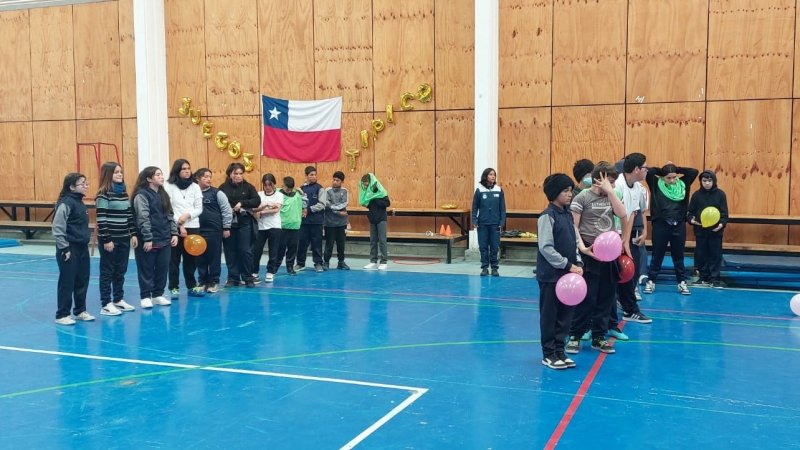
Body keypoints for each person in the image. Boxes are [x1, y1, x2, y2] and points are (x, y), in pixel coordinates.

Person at [566, 162, 627, 355]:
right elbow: (573, 226)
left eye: (613, 183)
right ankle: (575, 335)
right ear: (596, 180)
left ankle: (598, 337)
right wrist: (582, 248)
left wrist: (610, 192)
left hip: (609, 254)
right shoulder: (582, 197)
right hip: (590, 252)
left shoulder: (612, 196)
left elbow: (623, 214)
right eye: (609, 182)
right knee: (587, 297)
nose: (613, 186)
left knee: (606, 297)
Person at [537, 173, 582, 370]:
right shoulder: (547, 216)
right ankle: (548, 354)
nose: (569, 194)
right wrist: (566, 264)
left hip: (568, 277)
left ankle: (559, 351)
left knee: (566, 316)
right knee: (550, 315)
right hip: (551, 276)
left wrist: (578, 262)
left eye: (570, 190)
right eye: (565, 191)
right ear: (555, 193)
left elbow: (574, 241)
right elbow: (546, 247)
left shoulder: (568, 214)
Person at [643, 162, 699, 295]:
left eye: (674, 177)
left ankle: (681, 282)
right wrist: (662, 170)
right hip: (661, 225)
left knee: (678, 256)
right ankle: (651, 281)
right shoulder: (656, 184)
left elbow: (693, 171)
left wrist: (676, 168)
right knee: (657, 254)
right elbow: (649, 172)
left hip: (678, 225)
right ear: (662, 177)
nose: (672, 180)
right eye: (668, 178)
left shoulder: (683, 183)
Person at [613, 154, 653, 325]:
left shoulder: (637, 187)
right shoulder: (617, 186)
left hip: (625, 234)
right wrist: (620, 241)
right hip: (612, 235)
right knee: (615, 275)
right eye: (645, 167)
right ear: (637, 169)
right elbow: (615, 217)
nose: (647, 170)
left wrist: (626, 241)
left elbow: (631, 214)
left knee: (632, 271)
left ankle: (630, 309)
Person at [95, 162, 138, 316]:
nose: (120, 174)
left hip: (124, 238)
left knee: (121, 270)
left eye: (121, 172)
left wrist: (133, 234)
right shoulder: (103, 194)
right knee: (107, 271)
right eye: (116, 172)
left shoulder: (124, 194)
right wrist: (106, 239)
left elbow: (128, 216)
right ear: (108, 175)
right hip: (110, 239)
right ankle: (105, 303)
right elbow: (101, 218)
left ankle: (118, 299)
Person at [132, 166, 178, 308]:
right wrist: (147, 238)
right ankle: (145, 296)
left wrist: (174, 233)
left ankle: (158, 294)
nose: (161, 177)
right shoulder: (142, 195)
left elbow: (170, 215)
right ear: (149, 179)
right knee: (146, 268)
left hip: (164, 237)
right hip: (149, 239)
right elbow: (143, 217)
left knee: (162, 267)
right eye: (157, 175)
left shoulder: (163, 194)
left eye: (161, 174)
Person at [53, 173, 94, 325]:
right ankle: (62, 314)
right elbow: (58, 228)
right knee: (67, 282)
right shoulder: (65, 203)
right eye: (82, 183)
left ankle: (80, 311)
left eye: (86, 183)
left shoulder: (80, 203)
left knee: (82, 279)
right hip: (69, 248)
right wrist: (64, 248)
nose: (86, 186)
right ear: (71, 187)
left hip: (82, 248)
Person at [164, 159, 204, 298]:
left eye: (188, 168)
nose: (187, 171)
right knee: (173, 259)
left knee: (191, 259)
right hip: (174, 227)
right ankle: (173, 287)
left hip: (192, 226)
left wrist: (187, 215)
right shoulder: (169, 186)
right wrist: (179, 224)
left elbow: (199, 208)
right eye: (183, 169)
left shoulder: (195, 186)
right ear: (177, 171)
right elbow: (168, 208)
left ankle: (192, 286)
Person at [219, 163, 261, 288]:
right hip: (229, 224)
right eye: (235, 173)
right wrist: (228, 209)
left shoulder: (248, 187)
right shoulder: (222, 188)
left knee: (245, 251)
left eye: (240, 173)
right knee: (230, 251)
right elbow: (219, 203)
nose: (238, 176)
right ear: (230, 174)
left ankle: (248, 277)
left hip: (244, 223)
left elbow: (256, 200)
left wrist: (242, 203)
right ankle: (233, 278)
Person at [687, 170, 729, 288]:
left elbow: (724, 214)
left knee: (715, 255)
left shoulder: (721, 195)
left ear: (714, 181)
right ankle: (703, 277)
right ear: (701, 182)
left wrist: (721, 224)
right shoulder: (696, 195)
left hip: (716, 231)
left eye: (709, 181)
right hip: (701, 231)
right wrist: (692, 220)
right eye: (704, 181)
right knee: (701, 254)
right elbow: (690, 212)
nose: (707, 183)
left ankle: (715, 279)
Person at [193, 168, 232, 293]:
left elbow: (227, 210)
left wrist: (226, 227)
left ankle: (214, 282)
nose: (208, 179)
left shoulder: (217, 193)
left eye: (210, 176)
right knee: (200, 257)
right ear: (197, 178)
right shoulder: (192, 194)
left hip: (214, 231)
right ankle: (202, 281)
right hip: (197, 231)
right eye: (205, 177)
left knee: (213, 258)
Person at [471, 167, 507, 276]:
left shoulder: (499, 190)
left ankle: (495, 268)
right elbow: (475, 207)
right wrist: (474, 220)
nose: (493, 176)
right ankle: (485, 268)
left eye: (494, 175)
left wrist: (502, 221)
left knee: (494, 247)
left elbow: (503, 208)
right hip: (482, 224)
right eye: (491, 174)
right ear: (486, 176)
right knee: (483, 247)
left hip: (495, 224)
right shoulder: (479, 190)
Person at [252, 173, 284, 283]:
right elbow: (254, 209)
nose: (267, 187)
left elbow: (276, 209)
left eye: (270, 185)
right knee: (257, 250)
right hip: (261, 227)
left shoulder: (279, 195)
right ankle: (254, 272)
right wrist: (266, 206)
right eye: (265, 185)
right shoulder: (259, 195)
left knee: (273, 250)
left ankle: (270, 272)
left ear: (274, 184)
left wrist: (262, 211)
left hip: (274, 226)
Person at [295, 166, 326, 272]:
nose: (313, 177)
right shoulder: (301, 189)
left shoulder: (320, 188)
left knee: (316, 243)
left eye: (315, 174)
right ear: (306, 176)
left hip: (316, 221)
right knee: (302, 243)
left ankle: (318, 263)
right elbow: (298, 202)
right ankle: (300, 263)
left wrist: (309, 209)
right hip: (304, 221)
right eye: (311, 175)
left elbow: (322, 204)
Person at [360, 173, 391, 270]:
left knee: (382, 240)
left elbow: (387, 203)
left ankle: (384, 261)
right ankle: (373, 261)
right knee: (373, 241)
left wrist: (375, 199)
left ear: (370, 183)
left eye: (366, 184)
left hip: (381, 218)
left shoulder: (380, 191)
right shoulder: (368, 193)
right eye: (363, 184)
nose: (365, 186)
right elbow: (369, 205)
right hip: (373, 218)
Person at [278, 176, 306, 275]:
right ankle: (274, 267)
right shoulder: (277, 194)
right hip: (282, 226)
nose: (289, 191)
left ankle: (290, 267)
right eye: (287, 188)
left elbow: (305, 203)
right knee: (279, 249)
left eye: (291, 189)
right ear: (282, 185)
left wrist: (302, 193)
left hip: (295, 226)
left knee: (292, 249)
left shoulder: (297, 194)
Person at [323, 171, 350, 270]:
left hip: (342, 223)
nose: (334, 182)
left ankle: (341, 262)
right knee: (329, 244)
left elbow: (344, 204)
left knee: (341, 244)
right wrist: (338, 212)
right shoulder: (327, 191)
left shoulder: (345, 191)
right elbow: (327, 204)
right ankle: (326, 262)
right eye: (333, 179)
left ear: (341, 181)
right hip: (329, 223)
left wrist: (335, 209)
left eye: (337, 180)